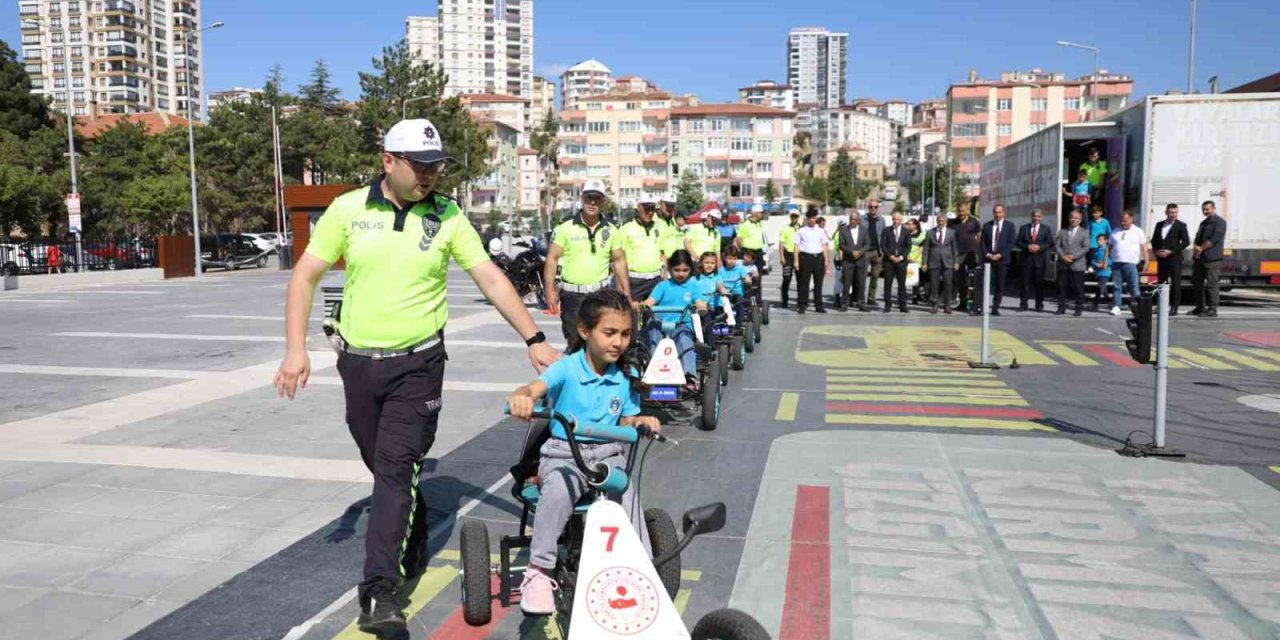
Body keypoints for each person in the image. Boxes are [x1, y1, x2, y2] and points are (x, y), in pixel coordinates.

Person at [273, 118, 560, 634]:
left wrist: (533, 339)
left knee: (394, 467)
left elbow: (490, 277)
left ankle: (380, 592)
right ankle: (413, 516)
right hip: (358, 362)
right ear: (389, 161)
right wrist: (296, 351)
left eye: (435, 166)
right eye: (420, 166)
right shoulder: (348, 209)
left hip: (419, 365)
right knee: (382, 465)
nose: (430, 176)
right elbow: (306, 275)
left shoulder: (447, 215)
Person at [506, 289, 660, 615]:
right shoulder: (566, 368)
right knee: (559, 490)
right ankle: (539, 570)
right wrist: (523, 397)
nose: (618, 342)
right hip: (564, 454)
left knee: (626, 492)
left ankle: (639, 569)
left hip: (607, 454)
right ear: (584, 331)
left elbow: (626, 418)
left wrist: (641, 420)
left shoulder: (623, 377)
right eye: (609, 333)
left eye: (625, 334)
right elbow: (534, 389)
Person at [544, 179, 631, 351]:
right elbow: (552, 259)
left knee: (601, 343)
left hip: (600, 294)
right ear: (582, 198)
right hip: (572, 296)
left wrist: (626, 293)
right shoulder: (565, 228)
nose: (592, 202)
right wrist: (549, 290)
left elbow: (619, 261)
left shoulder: (612, 230)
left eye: (597, 198)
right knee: (575, 343)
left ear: (603, 201)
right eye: (589, 197)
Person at [637, 251, 708, 385]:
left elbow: (699, 300)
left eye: (685, 270)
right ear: (670, 269)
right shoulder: (663, 285)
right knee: (653, 341)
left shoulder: (693, 286)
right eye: (677, 270)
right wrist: (644, 306)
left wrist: (701, 306)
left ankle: (689, 375)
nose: (681, 274)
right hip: (659, 323)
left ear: (690, 270)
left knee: (685, 342)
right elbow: (650, 301)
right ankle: (652, 373)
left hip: (682, 324)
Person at [618, 196, 665, 303]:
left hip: (656, 280)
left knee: (655, 317)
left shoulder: (659, 227)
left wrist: (664, 278)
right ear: (638, 208)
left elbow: (662, 254)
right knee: (634, 316)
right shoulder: (626, 229)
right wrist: (622, 288)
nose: (650, 212)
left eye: (652, 209)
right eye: (647, 208)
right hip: (635, 282)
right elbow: (620, 259)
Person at [1108, 211, 1151, 315]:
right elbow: (1109, 247)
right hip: (1117, 262)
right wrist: (1106, 260)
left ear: (1131, 219)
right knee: (1117, 286)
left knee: (1134, 287)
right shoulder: (1115, 231)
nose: (1123, 223)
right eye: (1121, 221)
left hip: (1131, 263)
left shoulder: (1138, 231)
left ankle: (1138, 306)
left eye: (1125, 221)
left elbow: (1144, 248)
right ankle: (1116, 306)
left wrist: (1147, 261)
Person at [1152, 203, 1190, 316]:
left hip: (1174, 258)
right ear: (1166, 213)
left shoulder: (1181, 225)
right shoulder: (1159, 225)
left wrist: (1172, 251)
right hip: (1162, 258)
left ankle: (1174, 307)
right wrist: (1156, 251)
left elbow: (1186, 242)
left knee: (1175, 283)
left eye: (1175, 212)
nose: (1173, 215)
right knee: (1162, 282)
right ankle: (1161, 305)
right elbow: (1154, 240)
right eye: (1171, 212)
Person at [1191, 200, 1227, 318]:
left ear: (1214, 208)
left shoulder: (1220, 222)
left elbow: (1215, 239)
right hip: (1200, 258)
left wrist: (1200, 248)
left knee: (1212, 284)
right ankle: (1200, 307)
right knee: (1197, 283)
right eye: (1204, 209)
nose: (1205, 211)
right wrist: (1196, 247)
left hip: (1212, 258)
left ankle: (1212, 309)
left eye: (1207, 209)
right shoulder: (1203, 223)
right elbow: (1198, 237)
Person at [1016, 208, 1055, 312]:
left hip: (1040, 260)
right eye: (1034, 216)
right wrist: (1027, 247)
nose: (1036, 218)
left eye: (1038, 216)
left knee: (1039, 284)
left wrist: (1039, 247)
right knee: (1025, 284)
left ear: (1041, 217)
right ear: (1031, 217)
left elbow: (1050, 243)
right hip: (1026, 259)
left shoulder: (1046, 229)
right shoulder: (1024, 228)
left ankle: (1039, 305)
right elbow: (1018, 242)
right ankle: (1023, 304)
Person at [980, 204, 1015, 316]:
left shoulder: (1010, 226)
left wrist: (1001, 254)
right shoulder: (987, 226)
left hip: (1002, 260)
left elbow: (1011, 243)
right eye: (995, 212)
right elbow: (982, 242)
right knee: (987, 284)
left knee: (1000, 284)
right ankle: (983, 306)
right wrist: (987, 254)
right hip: (989, 259)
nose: (997, 214)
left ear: (1004, 213)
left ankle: (995, 307)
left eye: (1000, 212)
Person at [793, 209, 831, 314]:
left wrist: (826, 261)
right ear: (806, 219)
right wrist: (796, 261)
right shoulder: (801, 231)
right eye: (810, 218)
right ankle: (802, 305)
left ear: (816, 219)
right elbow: (796, 246)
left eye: (814, 218)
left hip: (818, 258)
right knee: (804, 283)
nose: (812, 220)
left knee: (818, 283)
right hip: (805, 258)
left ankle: (819, 305)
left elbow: (824, 246)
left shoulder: (821, 231)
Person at [921, 213, 959, 314]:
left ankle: (947, 305)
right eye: (939, 221)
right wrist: (924, 262)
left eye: (943, 221)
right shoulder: (930, 233)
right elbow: (926, 249)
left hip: (948, 262)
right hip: (934, 261)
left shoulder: (952, 232)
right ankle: (935, 305)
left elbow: (954, 248)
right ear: (937, 221)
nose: (941, 223)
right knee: (934, 284)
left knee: (948, 284)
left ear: (946, 222)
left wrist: (956, 262)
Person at [1055, 210, 1090, 316]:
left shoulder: (1084, 232)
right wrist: (1063, 256)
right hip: (1063, 263)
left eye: (1076, 218)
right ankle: (1061, 308)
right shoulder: (1062, 231)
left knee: (1078, 288)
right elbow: (1057, 246)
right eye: (1071, 217)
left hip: (1077, 264)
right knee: (1061, 287)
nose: (1073, 220)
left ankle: (1078, 309)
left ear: (1080, 220)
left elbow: (1086, 247)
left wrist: (1073, 256)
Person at [836, 209, 871, 312]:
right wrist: (852, 252)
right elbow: (841, 244)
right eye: (851, 219)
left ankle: (861, 303)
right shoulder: (843, 230)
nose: (852, 221)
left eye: (855, 219)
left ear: (859, 220)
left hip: (860, 260)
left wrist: (860, 252)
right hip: (848, 260)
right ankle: (844, 304)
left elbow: (868, 243)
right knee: (846, 283)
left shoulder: (864, 230)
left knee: (861, 283)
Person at [735, 204, 768, 307]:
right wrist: (745, 253)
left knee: (757, 277)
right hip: (748, 252)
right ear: (754, 213)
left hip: (758, 252)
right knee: (746, 277)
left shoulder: (760, 224)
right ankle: (746, 300)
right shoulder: (745, 225)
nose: (762, 214)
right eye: (760, 213)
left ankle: (758, 301)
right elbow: (739, 239)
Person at [879, 212, 912, 313]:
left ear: (901, 220)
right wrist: (890, 256)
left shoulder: (906, 231)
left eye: (898, 219)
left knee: (901, 284)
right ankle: (887, 305)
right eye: (894, 219)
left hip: (901, 261)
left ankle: (903, 305)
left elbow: (908, 246)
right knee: (887, 283)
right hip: (889, 261)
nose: (895, 221)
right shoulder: (886, 230)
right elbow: (883, 245)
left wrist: (901, 257)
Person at [952, 204, 982, 312]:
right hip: (958, 254)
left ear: (967, 211)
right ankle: (962, 303)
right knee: (960, 280)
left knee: (973, 280)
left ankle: (974, 304)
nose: (961, 213)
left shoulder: (974, 222)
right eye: (959, 211)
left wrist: (974, 247)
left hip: (971, 254)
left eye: (963, 211)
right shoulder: (953, 222)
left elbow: (979, 235)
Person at [863, 200, 888, 308]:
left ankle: (871, 298)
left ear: (878, 208)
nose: (873, 209)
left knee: (875, 276)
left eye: (875, 207)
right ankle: (860, 298)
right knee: (861, 277)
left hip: (877, 252)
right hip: (865, 251)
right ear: (868, 207)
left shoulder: (882, 220)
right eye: (871, 207)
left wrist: (883, 251)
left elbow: (884, 236)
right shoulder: (862, 219)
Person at [1079, 147, 1115, 212]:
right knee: (1085, 208)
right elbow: (1080, 179)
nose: (1093, 157)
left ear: (1098, 156)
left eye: (1095, 156)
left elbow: (1102, 178)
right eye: (1091, 155)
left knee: (1097, 207)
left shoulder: (1102, 164)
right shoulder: (1083, 166)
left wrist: (1098, 190)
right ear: (1089, 155)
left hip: (1097, 188)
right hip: (1086, 189)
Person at [777, 211, 801, 309]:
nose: (794, 218)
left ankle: (800, 301)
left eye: (796, 216)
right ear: (790, 217)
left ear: (798, 217)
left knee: (800, 279)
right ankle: (785, 300)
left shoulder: (802, 228)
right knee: (787, 278)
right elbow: (781, 243)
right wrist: (782, 256)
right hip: (788, 256)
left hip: (799, 255)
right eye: (792, 216)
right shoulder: (785, 228)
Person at [656, 193, 684, 268]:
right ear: (660, 204)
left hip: (673, 262)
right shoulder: (654, 220)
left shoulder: (672, 220)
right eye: (667, 205)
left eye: (672, 206)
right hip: (660, 264)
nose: (670, 208)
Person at [1092, 232, 1113, 310]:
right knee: (1104, 289)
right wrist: (1096, 264)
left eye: (1100, 240)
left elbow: (1112, 261)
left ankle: (1095, 303)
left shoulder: (1108, 250)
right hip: (1098, 272)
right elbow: (1093, 260)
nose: (1098, 242)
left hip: (1106, 272)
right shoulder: (1096, 251)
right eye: (1097, 240)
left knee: (1100, 287)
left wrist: (1105, 263)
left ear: (1105, 241)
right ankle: (1110, 302)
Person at [907, 218, 926, 304]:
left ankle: (918, 295)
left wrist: (913, 258)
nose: (908, 226)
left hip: (917, 260)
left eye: (910, 224)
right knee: (911, 279)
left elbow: (921, 249)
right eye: (908, 224)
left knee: (918, 280)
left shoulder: (922, 235)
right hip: (907, 259)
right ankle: (914, 296)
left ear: (915, 225)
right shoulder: (906, 234)